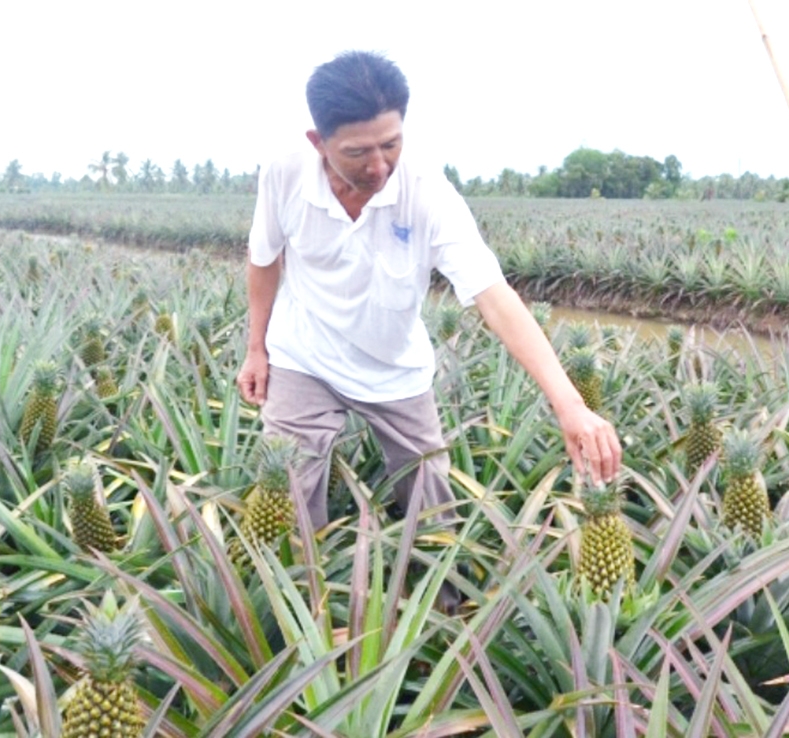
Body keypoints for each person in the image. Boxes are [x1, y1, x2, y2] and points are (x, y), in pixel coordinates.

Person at [236, 51, 621, 548]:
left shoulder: (428, 192)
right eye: (358, 152)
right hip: (303, 356)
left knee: (431, 503)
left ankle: (446, 604)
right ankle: (295, 604)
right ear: (318, 143)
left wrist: (570, 405)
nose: (378, 165)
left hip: (394, 368)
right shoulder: (284, 174)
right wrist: (256, 348)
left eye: (391, 144)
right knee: (286, 492)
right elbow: (264, 258)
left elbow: (494, 296)